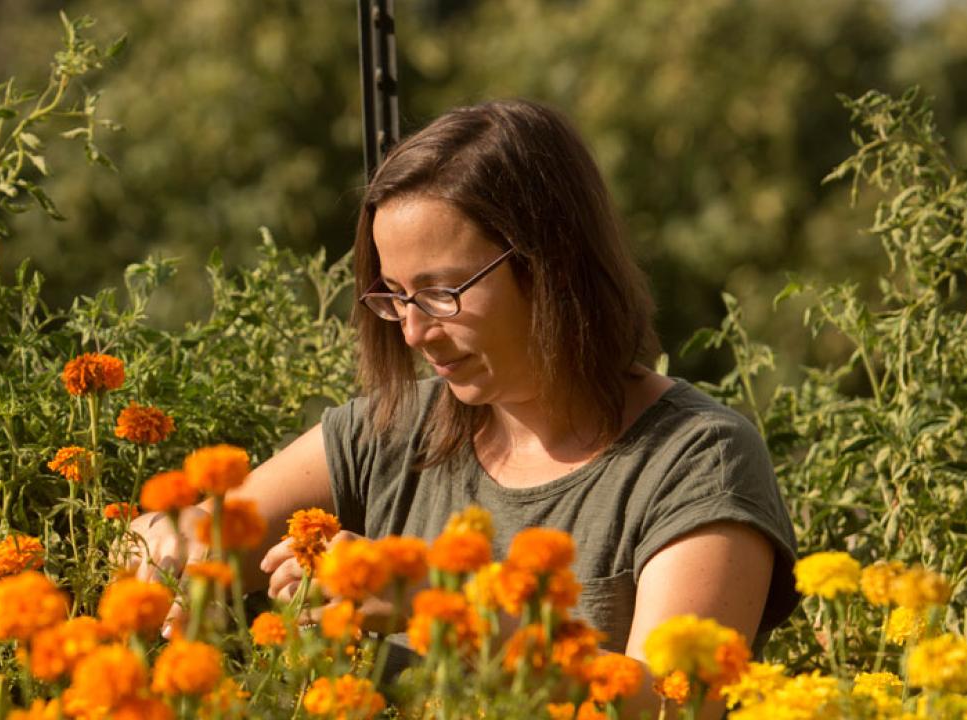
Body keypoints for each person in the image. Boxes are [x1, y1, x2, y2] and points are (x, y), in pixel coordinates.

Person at [126, 99, 798, 717]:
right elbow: (196, 535)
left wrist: (444, 611)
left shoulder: (698, 458)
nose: (414, 332)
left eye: (442, 292)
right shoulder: (390, 428)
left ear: (549, 263)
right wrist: (171, 547)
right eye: (393, 296)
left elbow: (673, 705)